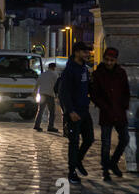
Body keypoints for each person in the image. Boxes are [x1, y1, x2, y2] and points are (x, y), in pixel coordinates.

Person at [90, 47, 130, 182]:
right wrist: (104, 106)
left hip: (119, 112)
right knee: (105, 143)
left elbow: (126, 91)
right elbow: (94, 95)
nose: (108, 63)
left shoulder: (121, 73)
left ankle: (113, 162)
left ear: (116, 60)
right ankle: (105, 169)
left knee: (125, 138)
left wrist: (124, 105)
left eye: (111, 60)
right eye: (106, 60)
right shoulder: (98, 74)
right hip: (106, 112)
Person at [58, 42, 94, 184]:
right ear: (77, 52)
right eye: (85, 52)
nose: (88, 54)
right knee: (74, 142)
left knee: (89, 138)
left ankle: (78, 160)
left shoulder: (84, 68)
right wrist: (70, 111)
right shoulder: (69, 70)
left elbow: (87, 88)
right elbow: (63, 93)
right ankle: (72, 171)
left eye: (88, 52)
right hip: (74, 112)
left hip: (84, 110)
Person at [33, 63, 59, 132]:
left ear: (48, 67)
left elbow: (37, 84)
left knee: (40, 110)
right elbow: (57, 85)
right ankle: (50, 126)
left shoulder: (43, 74)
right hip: (50, 94)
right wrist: (57, 95)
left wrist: (35, 92)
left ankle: (37, 125)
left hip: (42, 94)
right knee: (52, 112)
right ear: (54, 67)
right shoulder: (55, 74)